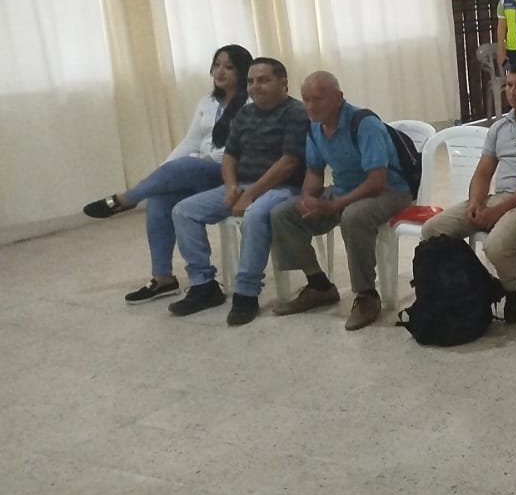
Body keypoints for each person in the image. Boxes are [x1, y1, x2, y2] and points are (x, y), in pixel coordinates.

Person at [83, 44, 254, 303]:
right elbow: (190, 142)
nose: (220, 71)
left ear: (242, 71)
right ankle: (162, 278)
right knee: (160, 196)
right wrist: (164, 174)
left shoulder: (251, 103)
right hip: (201, 171)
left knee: (185, 166)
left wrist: (182, 167)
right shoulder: (207, 102)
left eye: (229, 67)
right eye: (217, 65)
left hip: (231, 173)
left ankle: (125, 199)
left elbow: (239, 151)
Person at [268, 71, 415, 330]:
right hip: (344, 190)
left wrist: (335, 204)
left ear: (338, 98)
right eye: (306, 99)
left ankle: (367, 295)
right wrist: (307, 198)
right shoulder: (315, 127)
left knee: (353, 216)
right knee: (283, 214)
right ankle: (319, 285)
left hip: (389, 192)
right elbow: (314, 170)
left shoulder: (364, 123)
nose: (310, 106)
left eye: (318, 99)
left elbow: (377, 180)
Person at [419, 62, 516, 323]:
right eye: (509, 85)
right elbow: (483, 172)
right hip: (500, 198)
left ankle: (513, 290)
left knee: (495, 246)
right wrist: (476, 203)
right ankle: (484, 284)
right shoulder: (500, 126)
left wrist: (497, 210)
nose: (512, 92)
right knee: (433, 230)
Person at [168, 57, 308, 325]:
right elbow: (230, 156)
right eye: (251, 81)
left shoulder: (296, 112)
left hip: (284, 188)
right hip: (243, 184)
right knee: (183, 211)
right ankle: (203, 285)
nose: (255, 87)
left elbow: (289, 162)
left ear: (283, 83)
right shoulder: (245, 113)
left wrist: (250, 194)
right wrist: (232, 186)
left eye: (264, 80)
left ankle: (246, 293)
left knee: (255, 215)